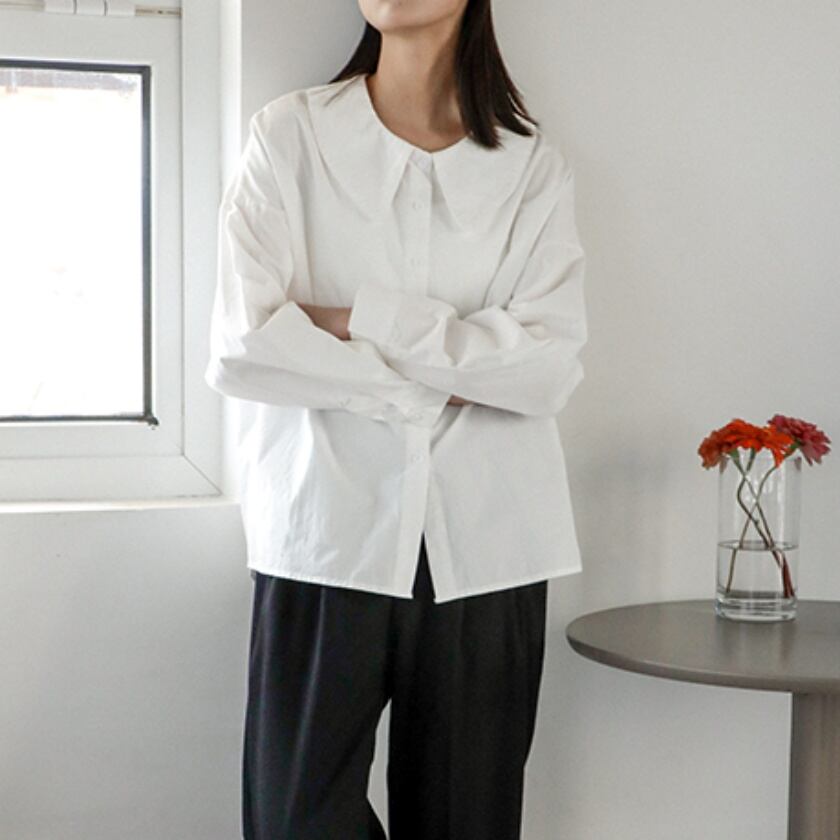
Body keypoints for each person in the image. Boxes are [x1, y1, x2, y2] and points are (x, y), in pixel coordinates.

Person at [204, 1, 588, 837]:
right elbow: (244, 348)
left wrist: (360, 319)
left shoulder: (531, 167)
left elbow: (547, 368)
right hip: (325, 533)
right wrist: (448, 376)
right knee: (295, 820)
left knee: (467, 822)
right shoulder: (290, 137)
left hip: (489, 546)